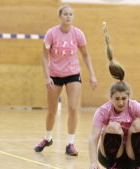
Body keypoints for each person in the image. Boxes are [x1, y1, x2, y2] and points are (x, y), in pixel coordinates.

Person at [87, 23, 140, 169]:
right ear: (111, 98)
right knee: (113, 126)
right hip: (109, 156)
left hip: (132, 157)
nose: (120, 102)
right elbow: (93, 138)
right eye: (117, 99)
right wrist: (92, 161)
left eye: (124, 99)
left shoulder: (134, 106)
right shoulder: (103, 111)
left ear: (129, 97)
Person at [34, 4, 97, 156]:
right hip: (55, 75)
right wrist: (47, 76)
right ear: (59, 16)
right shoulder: (51, 33)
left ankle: (70, 143)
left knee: (73, 108)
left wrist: (92, 74)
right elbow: (44, 55)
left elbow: (85, 55)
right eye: (65, 14)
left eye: (70, 14)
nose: (68, 16)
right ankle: (48, 138)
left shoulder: (78, 34)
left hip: (73, 74)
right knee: (52, 111)